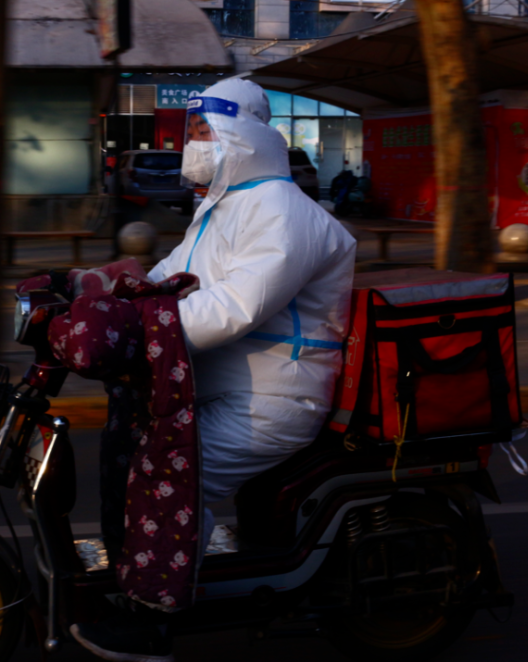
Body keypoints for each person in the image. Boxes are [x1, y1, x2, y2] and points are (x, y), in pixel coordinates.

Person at [71, 78, 357, 662]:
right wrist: (91, 296)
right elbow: (164, 280)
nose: (192, 144)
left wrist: (140, 335)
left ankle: (154, 619)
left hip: (275, 397)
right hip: (219, 384)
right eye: (191, 132)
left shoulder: (285, 212)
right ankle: (134, 577)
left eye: (204, 131)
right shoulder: (220, 208)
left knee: (171, 473)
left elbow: (236, 307)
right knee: (133, 447)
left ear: (243, 134)